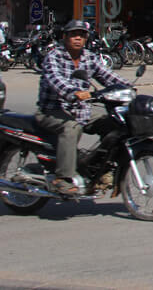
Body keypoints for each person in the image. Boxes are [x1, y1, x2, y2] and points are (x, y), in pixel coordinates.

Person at [35, 20, 128, 195]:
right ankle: (62, 178)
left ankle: (99, 169)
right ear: (65, 37)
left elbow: (108, 76)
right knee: (71, 128)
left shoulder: (89, 57)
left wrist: (127, 88)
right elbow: (57, 81)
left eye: (82, 35)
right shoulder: (54, 57)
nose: (78, 38)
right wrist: (74, 92)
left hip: (80, 110)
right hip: (51, 110)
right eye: (73, 34)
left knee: (114, 124)